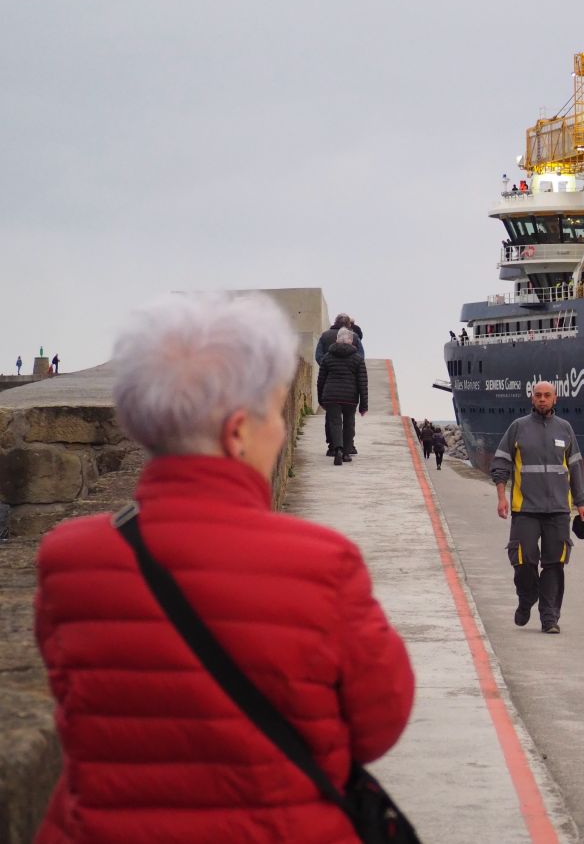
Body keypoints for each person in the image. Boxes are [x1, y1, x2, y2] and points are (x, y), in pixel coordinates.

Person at [34, 292, 413, 842]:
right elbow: (381, 723)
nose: (282, 431)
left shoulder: (67, 560)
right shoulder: (324, 564)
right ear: (237, 432)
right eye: (273, 414)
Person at [492, 380, 584, 634]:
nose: (543, 399)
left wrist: (581, 503)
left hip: (558, 510)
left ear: (555, 399)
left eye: (547, 395)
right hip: (525, 509)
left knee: (554, 565)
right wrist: (501, 496)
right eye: (538, 395)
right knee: (523, 561)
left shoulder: (565, 429)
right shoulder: (518, 428)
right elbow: (501, 463)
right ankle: (526, 599)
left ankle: (549, 618)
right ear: (532, 398)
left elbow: (576, 466)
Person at [318, 327, 368, 466]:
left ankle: (337, 449)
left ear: (337, 340)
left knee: (335, 422)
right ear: (352, 341)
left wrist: (320, 399)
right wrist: (364, 405)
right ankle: (346, 453)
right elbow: (362, 383)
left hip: (331, 395)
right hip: (350, 397)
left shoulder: (327, 357)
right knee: (349, 423)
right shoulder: (358, 359)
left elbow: (320, 380)